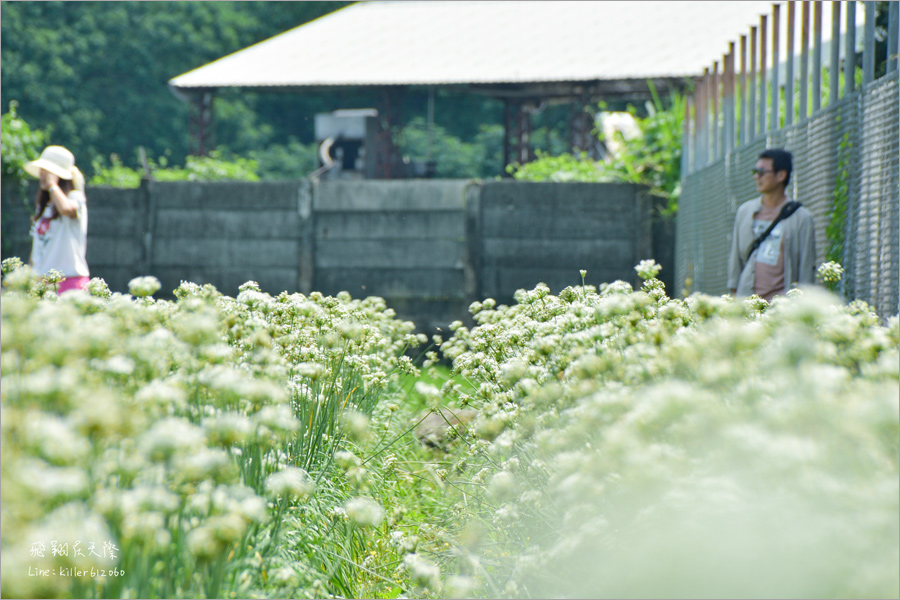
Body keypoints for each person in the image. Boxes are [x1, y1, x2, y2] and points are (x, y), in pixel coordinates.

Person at [727, 148, 816, 302]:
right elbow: (736, 260)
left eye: (761, 172)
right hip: (746, 304)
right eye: (755, 171)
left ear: (781, 175)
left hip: (782, 309)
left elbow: (806, 269)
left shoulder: (802, 218)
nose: (756, 177)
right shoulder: (745, 211)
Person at [25, 145, 90, 293]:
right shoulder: (44, 207)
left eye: (46, 171)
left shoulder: (75, 197)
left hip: (69, 282)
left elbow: (66, 209)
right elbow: (37, 249)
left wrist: (53, 185)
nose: (41, 174)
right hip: (41, 284)